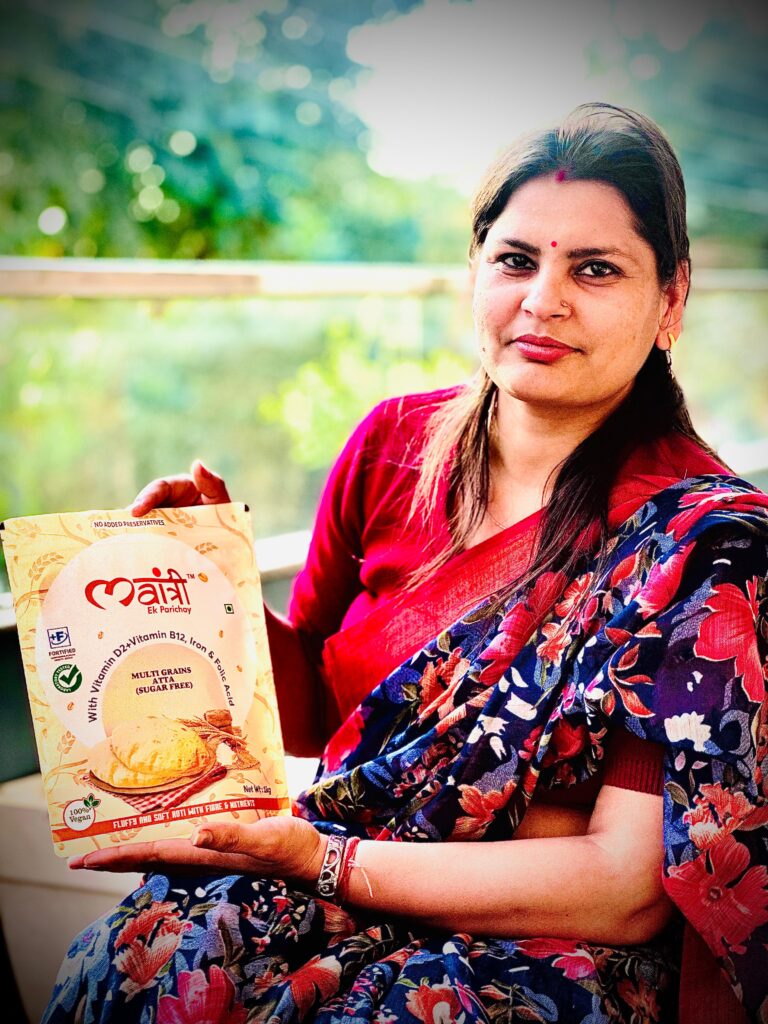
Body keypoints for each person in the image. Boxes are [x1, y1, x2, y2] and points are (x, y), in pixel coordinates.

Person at [44, 103, 768, 1024]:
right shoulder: (391, 446)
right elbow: (318, 715)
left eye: (595, 269)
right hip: (322, 879)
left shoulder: (705, 545)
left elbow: (622, 891)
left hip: (546, 946)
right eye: (515, 260)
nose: (543, 300)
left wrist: (326, 861)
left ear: (670, 300)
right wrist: (208, 595)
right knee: (142, 968)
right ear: (474, 271)